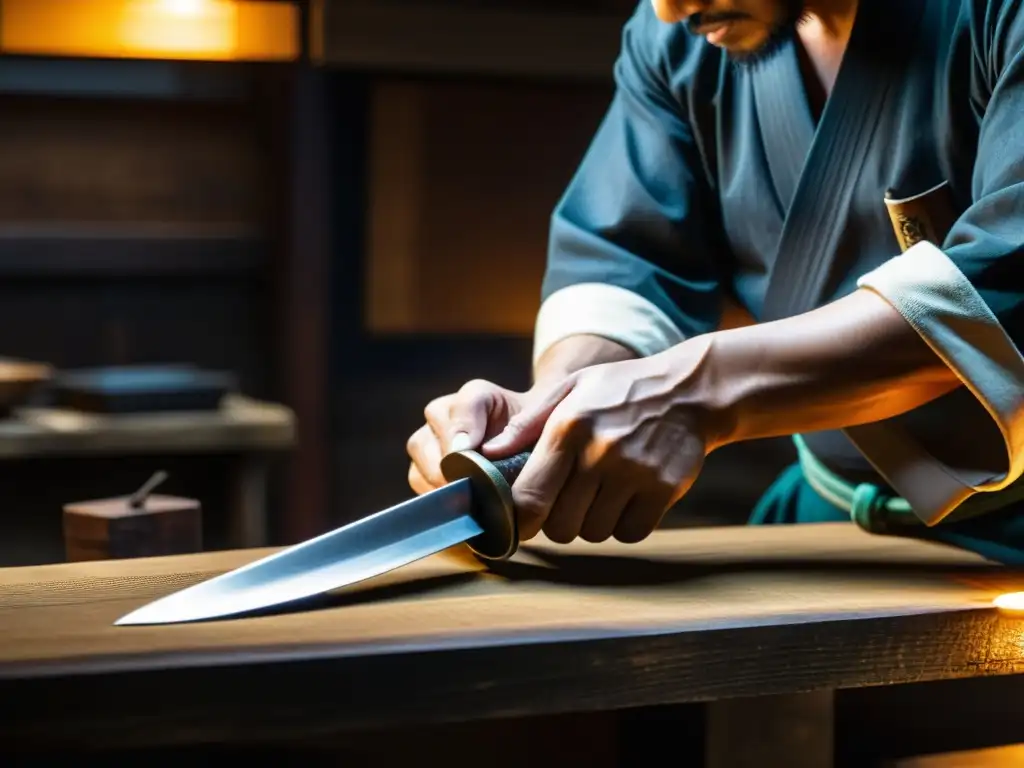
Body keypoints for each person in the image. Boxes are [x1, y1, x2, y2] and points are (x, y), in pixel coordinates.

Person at [405, 0, 1024, 563]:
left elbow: (1005, 279)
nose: (670, 10)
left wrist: (698, 391)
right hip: (821, 538)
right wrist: (548, 422)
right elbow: (626, 259)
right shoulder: (682, 39)